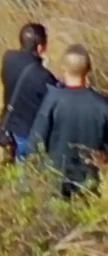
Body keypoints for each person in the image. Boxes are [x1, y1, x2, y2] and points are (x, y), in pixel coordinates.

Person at [28, 44, 108, 197]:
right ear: (88, 70)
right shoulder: (102, 105)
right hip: (89, 181)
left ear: (63, 69)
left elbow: (36, 141)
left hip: (56, 178)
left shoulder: (53, 100)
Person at [0, 22, 56, 160]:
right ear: (41, 47)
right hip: (27, 131)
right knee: (26, 169)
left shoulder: (8, 58)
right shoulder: (42, 76)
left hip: (9, 124)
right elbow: (54, 100)